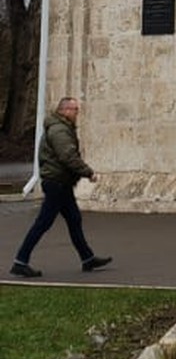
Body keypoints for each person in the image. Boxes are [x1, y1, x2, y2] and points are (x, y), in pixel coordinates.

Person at [11, 96, 111, 277]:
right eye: (74, 110)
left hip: (62, 183)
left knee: (74, 219)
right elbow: (67, 156)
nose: (77, 113)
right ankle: (20, 260)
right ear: (64, 110)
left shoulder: (61, 128)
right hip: (56, 183)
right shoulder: (59, 130)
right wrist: (88, 173)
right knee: (43, 223)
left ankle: (87, 258)